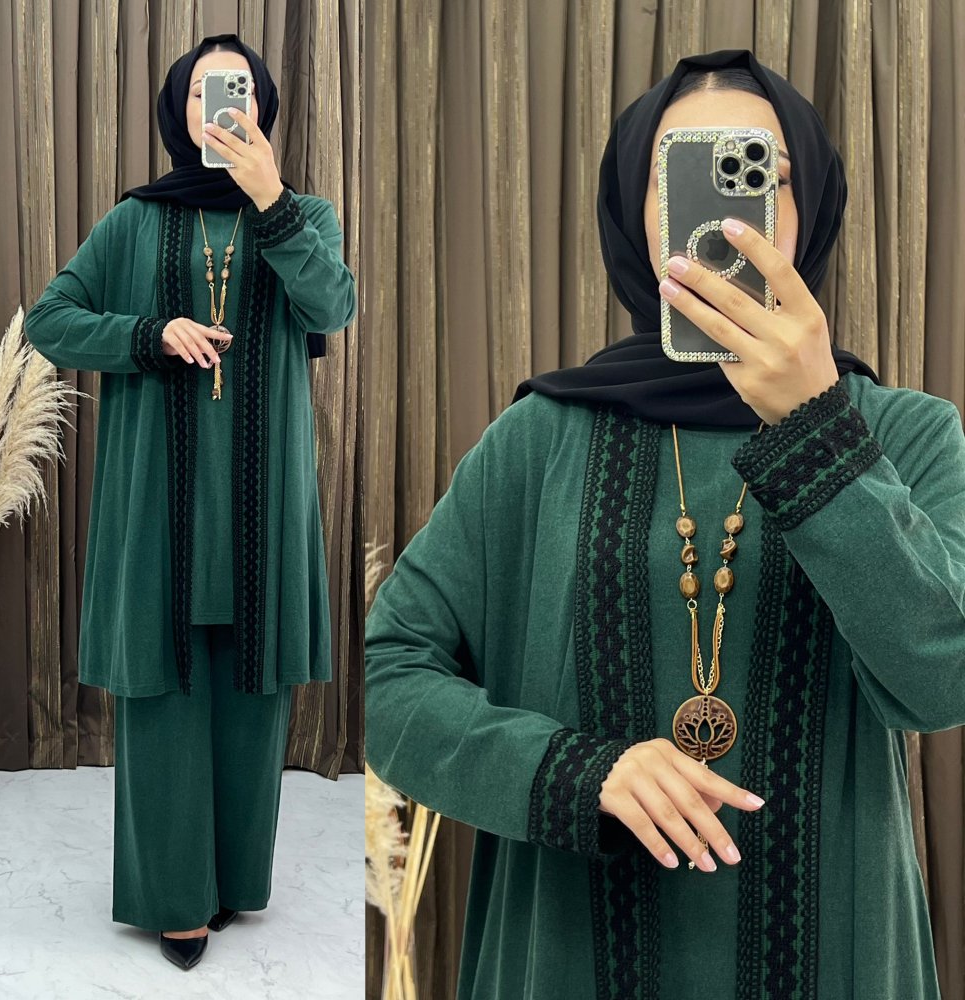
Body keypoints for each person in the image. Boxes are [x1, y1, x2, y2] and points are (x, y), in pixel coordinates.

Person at [365, 48, 964, 999]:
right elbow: (385, 675)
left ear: (809, 209)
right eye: (680, 175)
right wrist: (574, 773)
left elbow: (942, 679)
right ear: (632, 212)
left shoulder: (906, 434)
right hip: (573, 953)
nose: (727, 214)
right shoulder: (540, 439)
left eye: (761, 174)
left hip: (833, 958)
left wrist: (817, 430)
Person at [24, 33, 356, 970]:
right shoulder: (134, 222)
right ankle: (177, 900)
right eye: (208, 89)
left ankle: (234, 881)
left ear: (264, 105)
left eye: (238, 88)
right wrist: (148, 333)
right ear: (180, 108)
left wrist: (271, 199)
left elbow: (331, 308)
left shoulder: (304, 214)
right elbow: (49, 319)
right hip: (157, 503)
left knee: (253, 693)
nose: (224, 105)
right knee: (166, 694)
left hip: (262, 502)